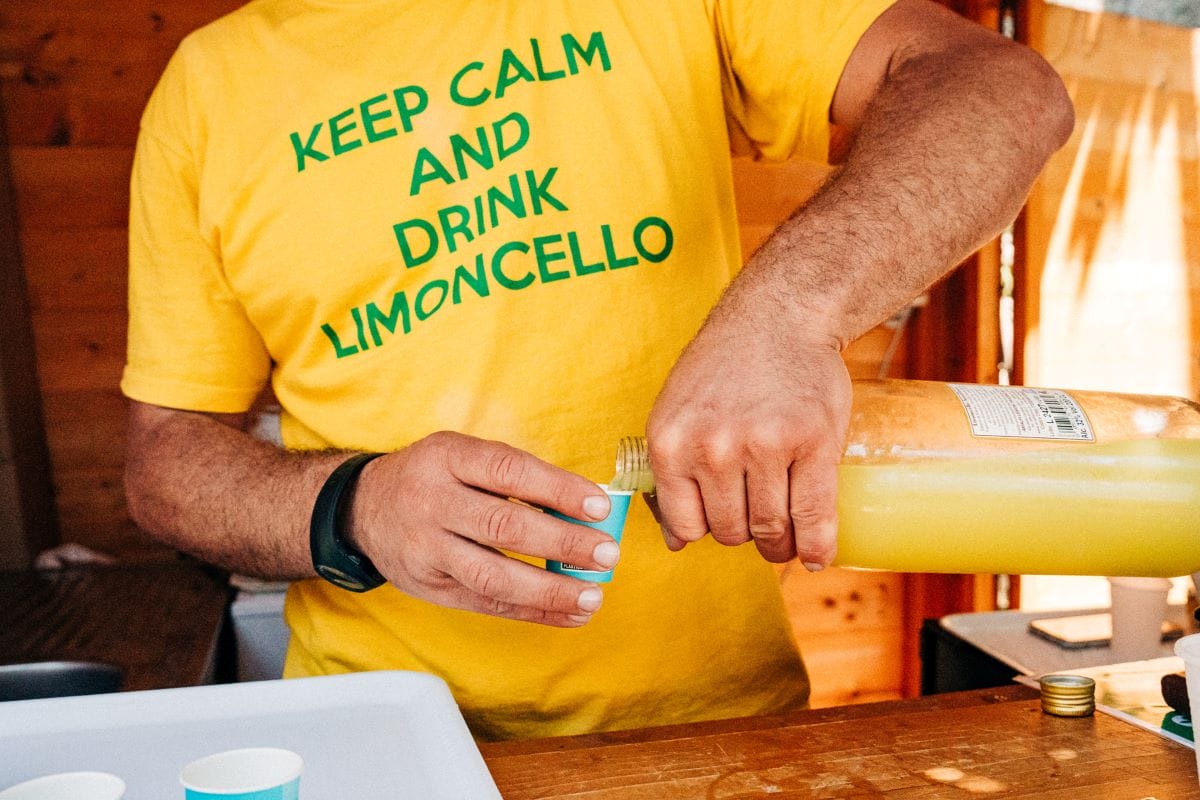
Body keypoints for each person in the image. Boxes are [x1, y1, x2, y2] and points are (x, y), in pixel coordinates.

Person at [121, 0, 1072, 740]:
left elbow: (999, 88)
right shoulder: (208, 88)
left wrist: (786, 316)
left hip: (717, 737)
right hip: (385, 738)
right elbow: (164, 457)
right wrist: (354, 506)